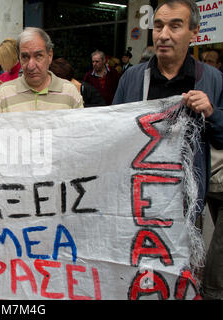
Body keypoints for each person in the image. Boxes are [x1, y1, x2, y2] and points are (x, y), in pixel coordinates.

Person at [112, 0, 223, 300]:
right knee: (137, 270)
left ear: (194, 33)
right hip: (138, 200)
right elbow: (110, 133)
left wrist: (211, 112)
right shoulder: (133, 78)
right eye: (158, 25)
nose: (163, 34)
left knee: (179, 273)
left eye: (175, 25)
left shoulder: (211, 79)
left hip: (186, 204)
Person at [0, 27, 83, 114]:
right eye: (25, 57)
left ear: (50, 56)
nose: (31, 65)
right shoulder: (2, 95)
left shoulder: (70, 92)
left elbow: (80, 130)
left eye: (38, 56)